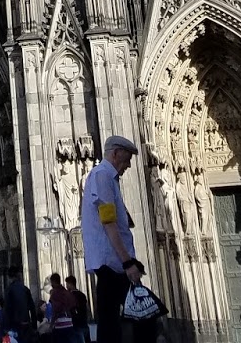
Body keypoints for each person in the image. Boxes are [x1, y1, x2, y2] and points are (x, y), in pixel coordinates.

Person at [79, 137, 137, 343]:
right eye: (126, 159)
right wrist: (127, 261)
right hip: (112, 264)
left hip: (112, 263)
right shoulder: (103, 176)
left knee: (112, 322)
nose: (129, 165)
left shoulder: (105, 177)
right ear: (115, 154)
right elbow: (109, 222)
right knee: (128, 321)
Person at [120, 260, 167, 343]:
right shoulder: (124, 293)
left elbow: (157, 316)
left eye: (137, 273)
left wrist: (160, 334)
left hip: (148, 333)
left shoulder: (146, 292)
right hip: (134, 334)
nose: (136, 275)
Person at [1, 273, 35, 343]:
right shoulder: (25, 289)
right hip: (26, 323)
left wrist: (6, 327)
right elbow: (32, 307)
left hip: (14, 324)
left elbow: (7, 309)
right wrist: (34, 325)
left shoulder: (9, 290)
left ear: (10, 278)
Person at [63, 279, 87, 343]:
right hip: (83, 321)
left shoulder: (70, 295)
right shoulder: (82, 295)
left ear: (71, 284)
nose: (66, 286)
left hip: (74, 322)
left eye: (67, 284)